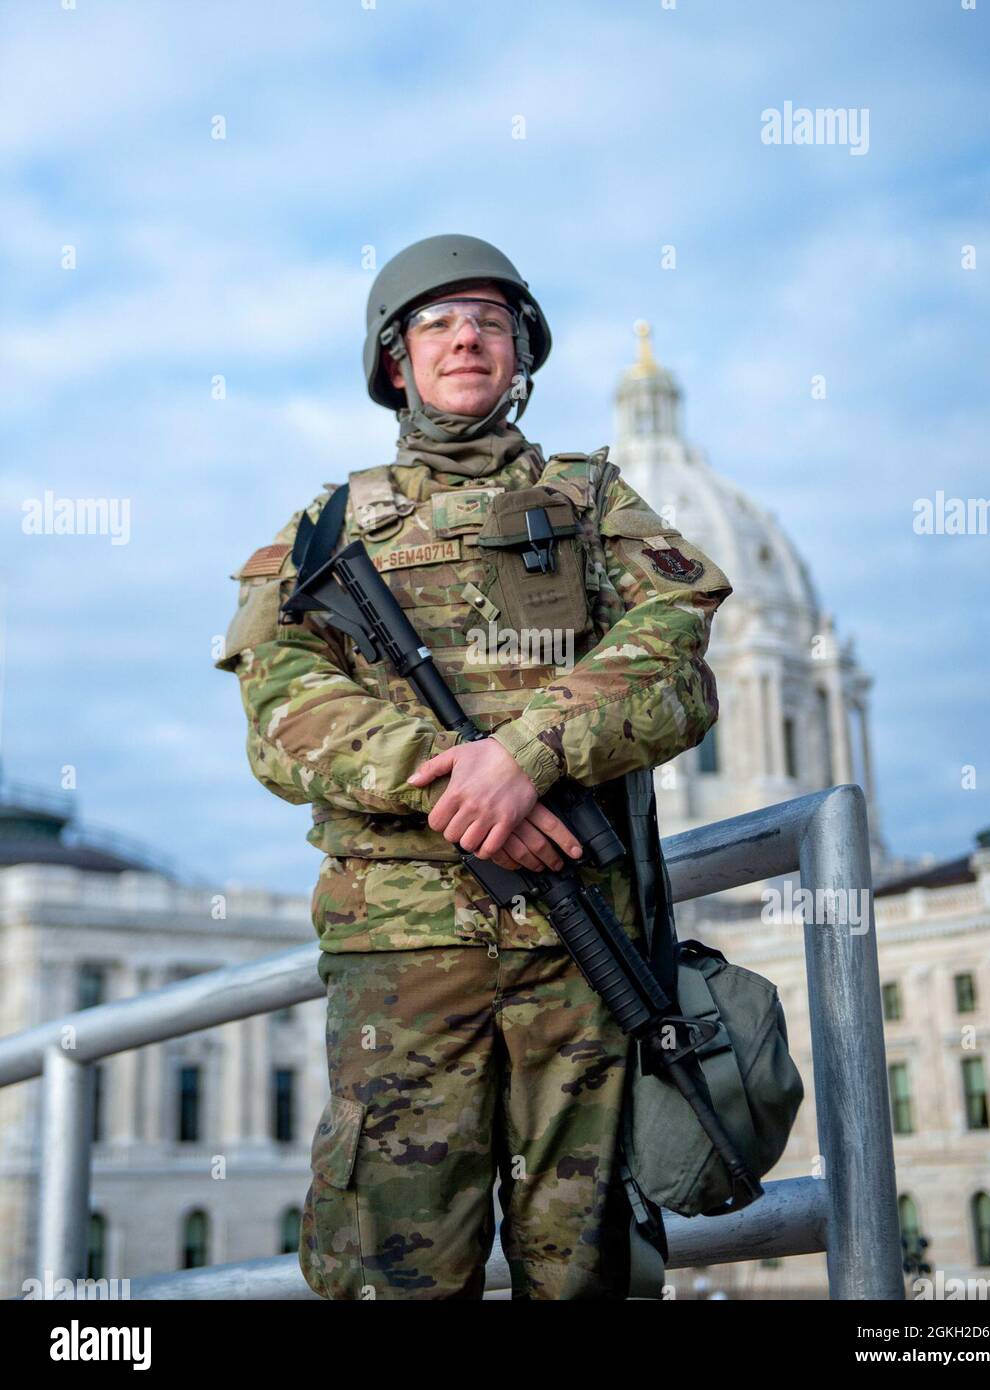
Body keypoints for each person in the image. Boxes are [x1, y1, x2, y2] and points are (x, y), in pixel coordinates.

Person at [214, 234, 733, 1300]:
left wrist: (525, 753)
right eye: (439, 322)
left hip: (581, 945)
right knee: (393, 1259)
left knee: (584, 1256)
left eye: (489, 322)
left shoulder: (592, 504)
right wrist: (456, 777)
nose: (466, 337)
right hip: (404, 955)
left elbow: (674, 653)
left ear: (519, 353)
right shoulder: (321, 533)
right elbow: (280, 715)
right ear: (394, 360)